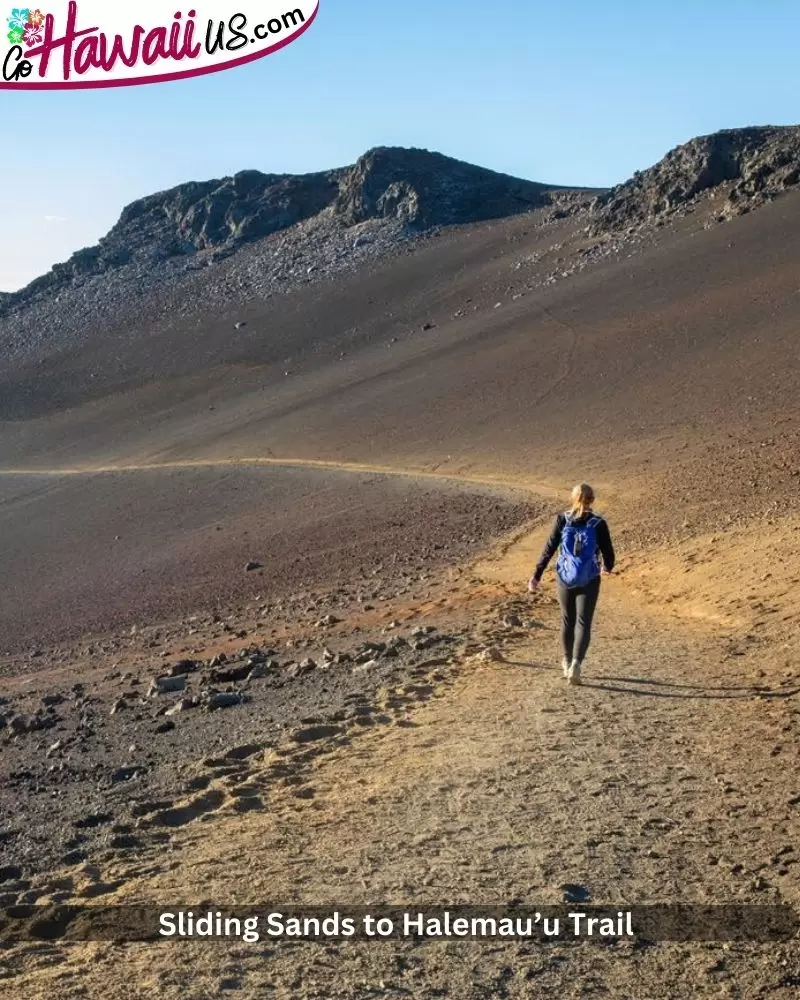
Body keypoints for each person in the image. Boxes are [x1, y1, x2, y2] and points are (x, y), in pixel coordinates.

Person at [527, 483, 615, 686]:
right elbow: (608, 552)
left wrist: (536, 576)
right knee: (583, 622)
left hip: (564, 578)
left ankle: (566, 661)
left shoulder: (562, 520)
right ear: (592, 500)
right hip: (590, 578)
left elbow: (549, 549)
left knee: (568, 620)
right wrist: (607, 567)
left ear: (572, 499)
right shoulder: (598, 523)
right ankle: (577, 663)